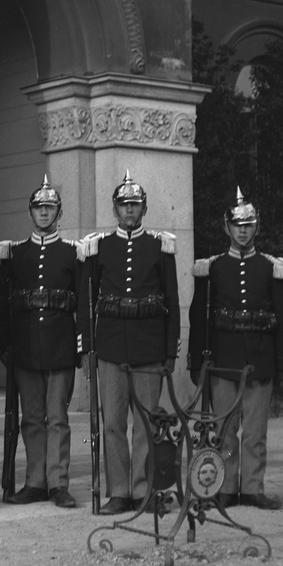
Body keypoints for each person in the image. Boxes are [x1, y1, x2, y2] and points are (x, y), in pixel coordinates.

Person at [79, 171, 180, 515]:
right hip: (109, 347)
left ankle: (143, 490)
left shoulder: (159, 247)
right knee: (113, 423)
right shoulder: (99, 247)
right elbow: (87, 301)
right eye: (124, 205)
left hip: (149, 346)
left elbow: (172, 301)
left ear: (145, 208)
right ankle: (119, 491)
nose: (130, 211)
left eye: (135, 205)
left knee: (146, 422)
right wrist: (88, 348)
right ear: (115, 209)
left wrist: (170, 350)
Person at [188, 188, 283, 510]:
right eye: (237, 224)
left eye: (248, 224)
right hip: (223, 357)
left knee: (256, 431)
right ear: (227, 227)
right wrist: (196, 361)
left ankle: (253, 488)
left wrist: (281, 361)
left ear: (257, 227)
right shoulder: (213, 268)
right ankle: (227, 487)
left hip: (259, 358)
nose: (242, 230)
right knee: (224, 429)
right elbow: (198, 318)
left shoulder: (271, 267)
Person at [0, 175, 85, 509]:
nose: (44, 213)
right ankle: (35, 481)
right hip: (25, 346)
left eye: (49, 208)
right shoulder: (14, 253)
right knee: (31, 417)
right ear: (30, 213)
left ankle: (58, 483)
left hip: (60, 345)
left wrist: (80, 345)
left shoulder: (73, 253)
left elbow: (82, 301)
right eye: (38, 208)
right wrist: (4, 344)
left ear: (59, 213)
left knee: (57, 418)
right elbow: (3, 302)